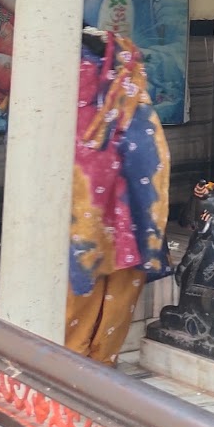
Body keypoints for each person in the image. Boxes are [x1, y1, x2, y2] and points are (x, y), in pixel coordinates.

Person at [67, 28, 172, 362]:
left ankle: (75, 366)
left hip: (103, 215)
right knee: (105, 282)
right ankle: (96, 366)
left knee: (84, 280)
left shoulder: (89, 94)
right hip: (130, 215)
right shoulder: (133, 92)